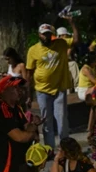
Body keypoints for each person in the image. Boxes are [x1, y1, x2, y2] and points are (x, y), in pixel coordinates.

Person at [26, 19, 79, 148]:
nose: (47, 36)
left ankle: (65, 148)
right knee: (46, 121)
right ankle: (49, 148)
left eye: (49, 34)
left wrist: (72, 23)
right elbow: (28, 73)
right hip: (42, 91)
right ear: (39, 35)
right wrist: (28, 94)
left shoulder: (60, 44)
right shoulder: (33, 50)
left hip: (59, 89)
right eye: (44, 34)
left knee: (61, 120)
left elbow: (76, 40)